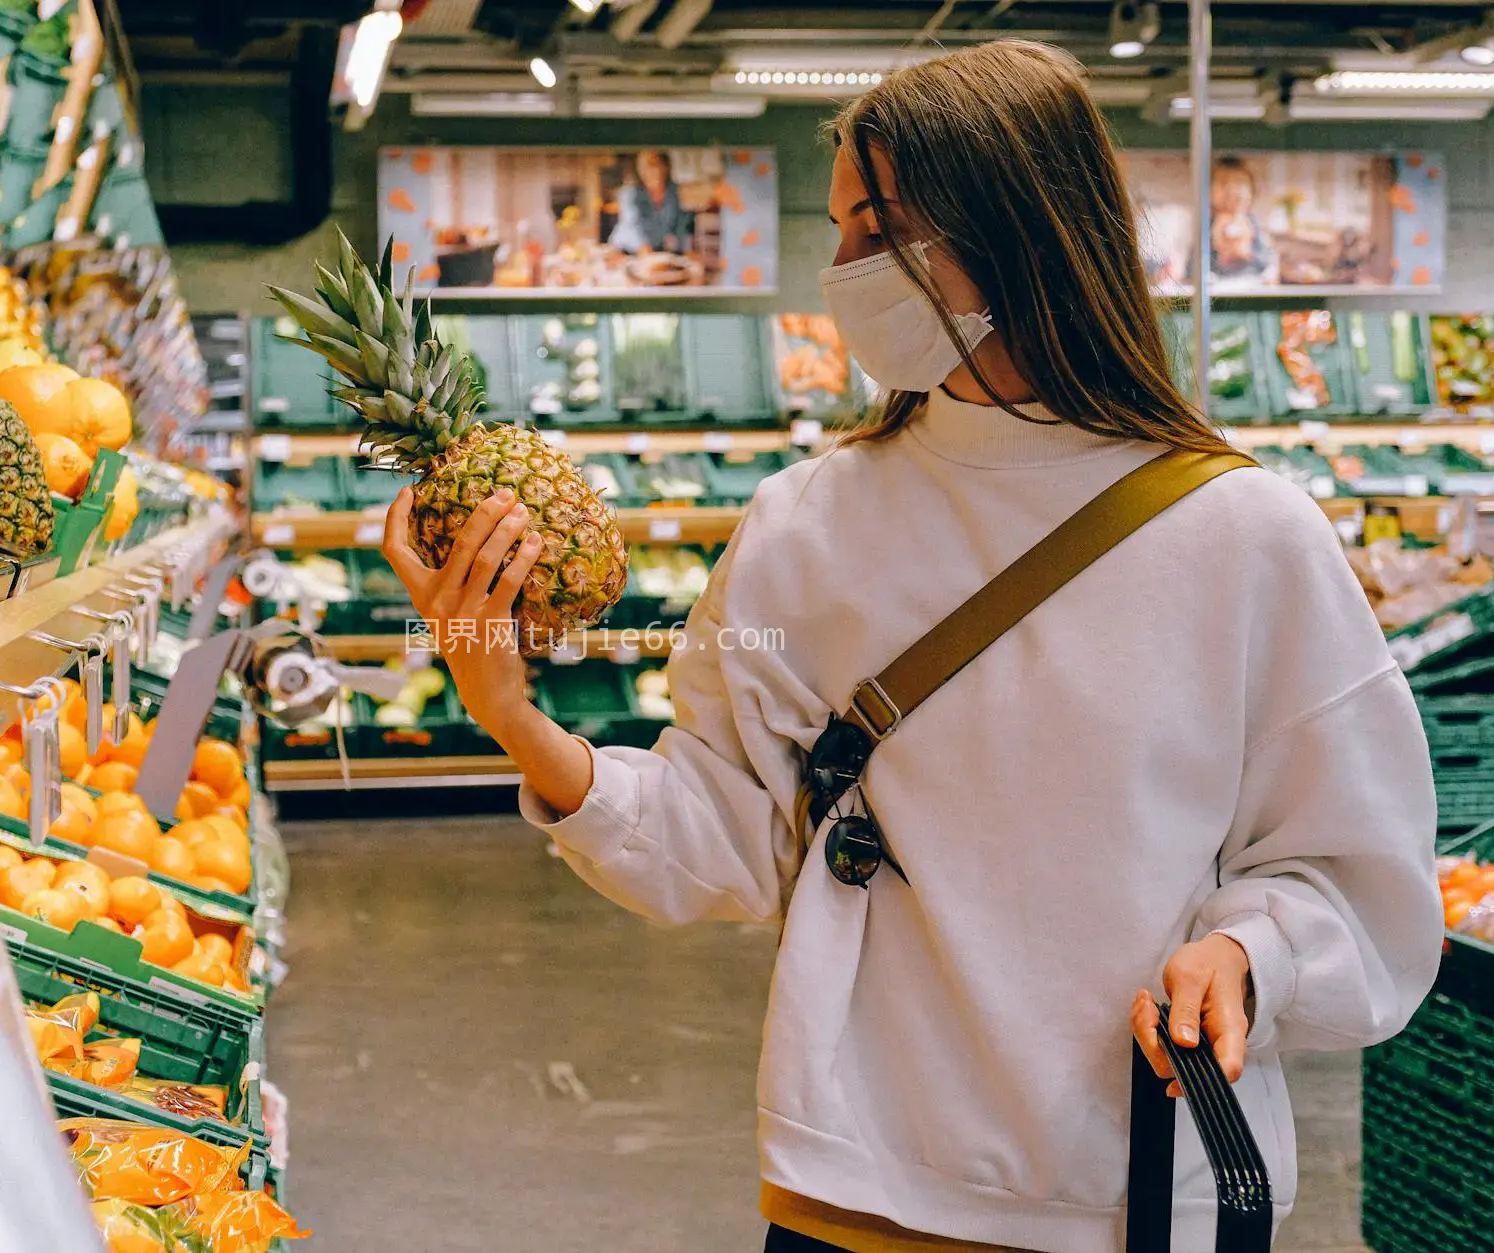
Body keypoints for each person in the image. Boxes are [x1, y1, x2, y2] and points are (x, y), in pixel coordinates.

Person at [381, 40, 1440, 1253]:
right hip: (859, 1185)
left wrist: (1251, 950)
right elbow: (723, 836)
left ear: (1015, 229)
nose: (839, 273)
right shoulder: (808, 523)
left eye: (874, 230)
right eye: (839, 230)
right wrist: (513, 714)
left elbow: (1358, 877)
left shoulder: (1245, 537)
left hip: (1138, 1186)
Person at [607, 148, 694, 255]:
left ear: (665, 166)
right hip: (625, 249)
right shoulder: (630, 193)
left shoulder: (674, 192)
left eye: (654, 164)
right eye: (644, 167)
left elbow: (681, 225)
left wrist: (687, 250)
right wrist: (644, 249)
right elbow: (632, 224)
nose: (650, 171)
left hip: (655, 250)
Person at [1210, 157, 1273, 280]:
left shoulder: (1254, 224)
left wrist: (1249, 255)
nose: (1232, 190)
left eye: (1239, 184)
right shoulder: (1207, 225)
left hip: (1251, 283)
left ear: (1252, 192)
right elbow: (1193, 266)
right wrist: (1218, 258)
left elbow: (1266, 260)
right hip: (1216, 285)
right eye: (1223, 183)